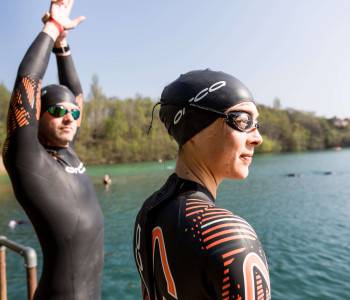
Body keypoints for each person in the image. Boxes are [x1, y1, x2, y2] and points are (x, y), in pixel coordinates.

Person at [133, 69, 270, 300]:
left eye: (256, 123)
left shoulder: (148, 212)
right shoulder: (229, 235)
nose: (258, 137)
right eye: (243, 120)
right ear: (195, 128)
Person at [3, 1, 104, 299]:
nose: (69, 118)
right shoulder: (29, 157)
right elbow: (27, 82)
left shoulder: (67, 150)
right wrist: (53, 27)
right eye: (59, 111)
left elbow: (78, 96)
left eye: (73, 113)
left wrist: (63, 45)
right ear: (38, 115)